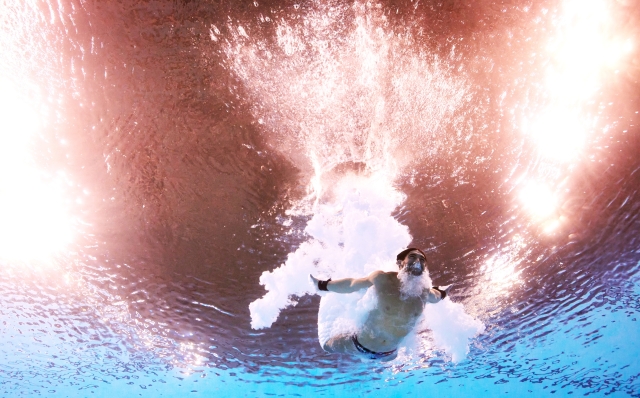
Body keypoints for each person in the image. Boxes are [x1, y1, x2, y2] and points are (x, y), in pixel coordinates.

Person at [309, 248, 452, 361]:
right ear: (400, 263)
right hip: (359, 346)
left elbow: (438, 296)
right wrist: (322, 285)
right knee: (327, 347)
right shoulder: (383, 279)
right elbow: (352, 284)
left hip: (389, 354)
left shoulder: (425, 292)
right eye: (413, 256)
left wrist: (443, 291)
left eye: (422, 259)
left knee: (389, 358)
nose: (418, 261)